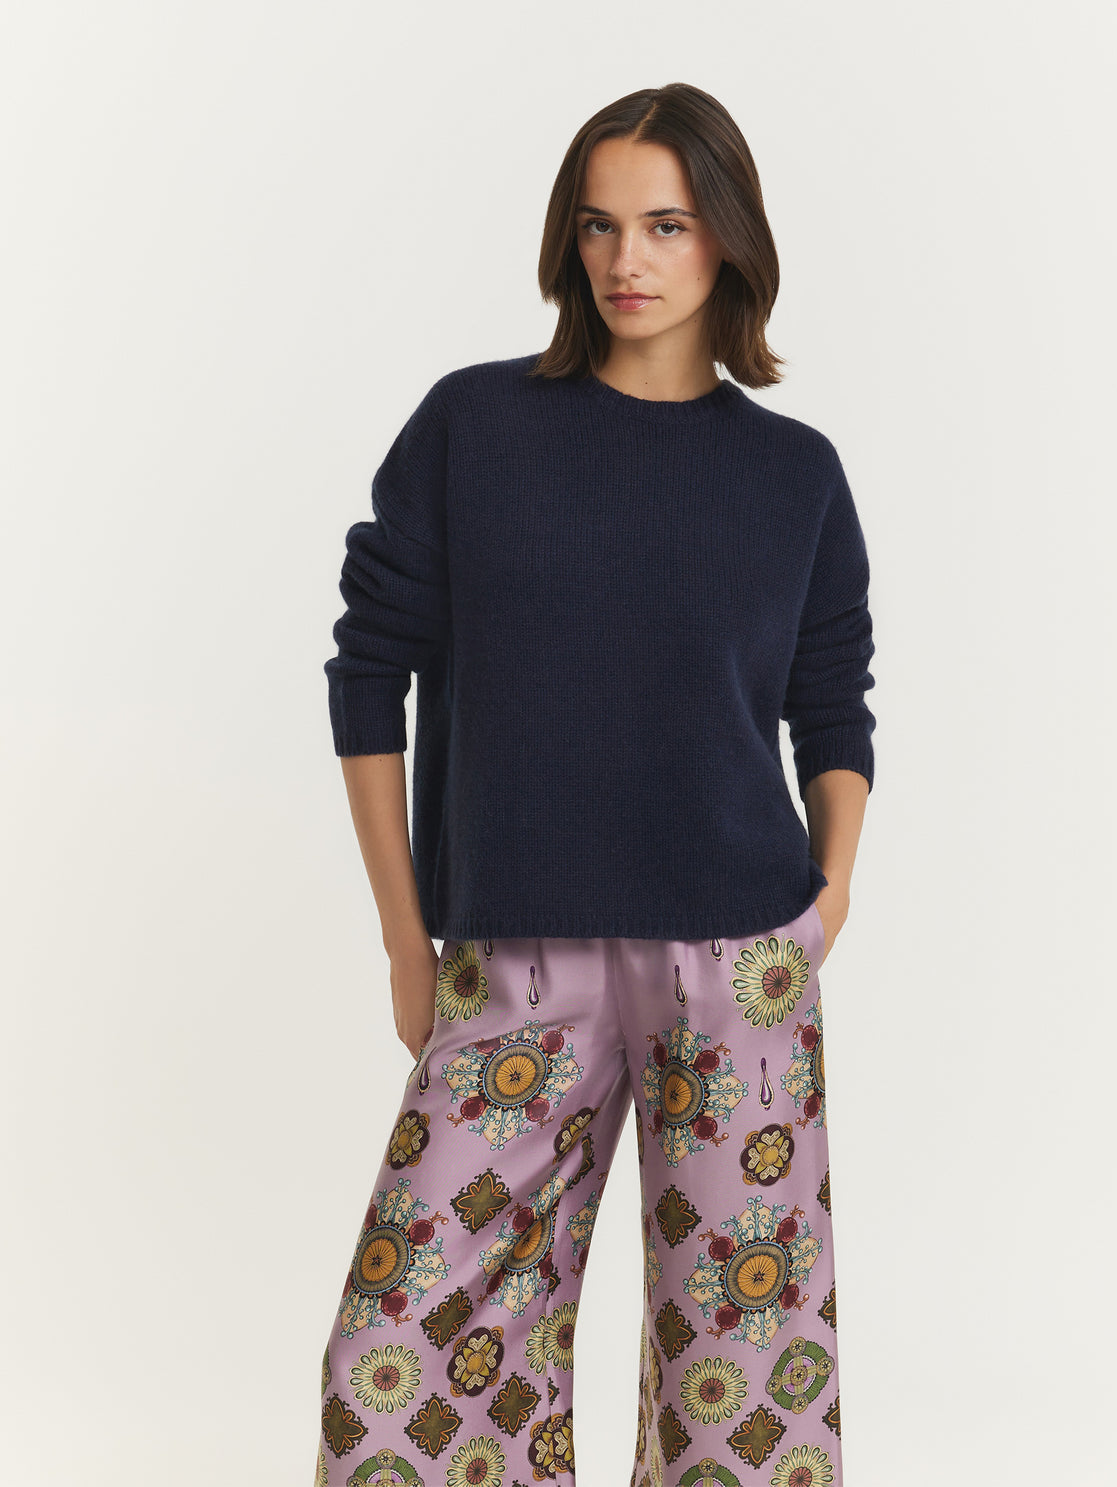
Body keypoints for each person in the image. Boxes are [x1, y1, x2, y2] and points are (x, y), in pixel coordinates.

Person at [313, 82, 876, 1487]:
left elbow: (833, 704)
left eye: (667, 225)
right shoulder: (474, 428)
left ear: (728, 239)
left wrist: (831, 895)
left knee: (741, 1388)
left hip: (737, 958)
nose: (628, 260)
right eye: (600, 226)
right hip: (516, 959)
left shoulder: (794, 475)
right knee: (402, 1358)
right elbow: (368, 675)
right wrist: (406, 938)